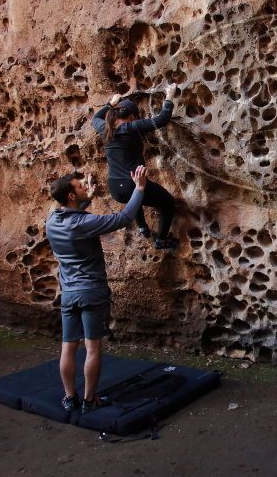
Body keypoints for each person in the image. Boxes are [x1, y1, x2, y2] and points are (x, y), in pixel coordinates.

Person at [46, 165, 148, 413]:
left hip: (68, 294)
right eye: (80, 187)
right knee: (92, 348)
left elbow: (73, 217)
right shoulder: (83, 223)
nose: (85, 188)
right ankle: (89, 399)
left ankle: (70, 398)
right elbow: (123, 219)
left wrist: (87, 198)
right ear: (70, 196)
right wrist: (140, 188)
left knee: (68, 347)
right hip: (91, 291)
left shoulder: (51, 220)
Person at [92, 84, 180, 249]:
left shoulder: (104, 129)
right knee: (168, 202)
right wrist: (169, 96)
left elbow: (94, 118)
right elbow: (162, 119)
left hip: (115, 187)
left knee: (134, 198)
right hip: (131, 183)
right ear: (132, 116)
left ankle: (143, 228)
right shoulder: (131, 127)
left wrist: (109, 104)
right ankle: (161, 240)